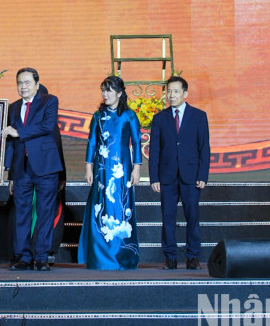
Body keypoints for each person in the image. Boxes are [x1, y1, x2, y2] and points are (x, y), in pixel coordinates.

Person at [0, 84, 66, 265]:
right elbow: (11, 143)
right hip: (22, 171)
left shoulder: (48, 120)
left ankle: (41, 256)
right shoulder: (16, 109)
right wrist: (10, 173)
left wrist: (62, 176)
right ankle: (22, 256)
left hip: (45, 172)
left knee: (45, 214)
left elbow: (57, 149)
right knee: (21, 215)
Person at [78, 75, 141, 270]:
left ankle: (121, 256)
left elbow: (137, 143)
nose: (105, 94)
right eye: (103, 90)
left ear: (120, 93)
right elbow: (92, 143)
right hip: (101, 169)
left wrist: (137, 168)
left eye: (109, 90)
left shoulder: (129, 116)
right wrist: (89, 166)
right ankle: (99, 257)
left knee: (120, 207)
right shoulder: (98, 115)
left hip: (122, 169)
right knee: (100, 206)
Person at [149, 75, 211, 270]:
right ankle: (171, 257)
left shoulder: (199, 116)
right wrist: (154, 177)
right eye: (169, 91)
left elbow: (205, 148)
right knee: (167, 218)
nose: (171, 95)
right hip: (167, 177)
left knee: (192, 217)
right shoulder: (159, 118)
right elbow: (155, 150)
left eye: (176, 91)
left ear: (185, 93)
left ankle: (193, 256)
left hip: (191, 177)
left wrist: (202, 175)